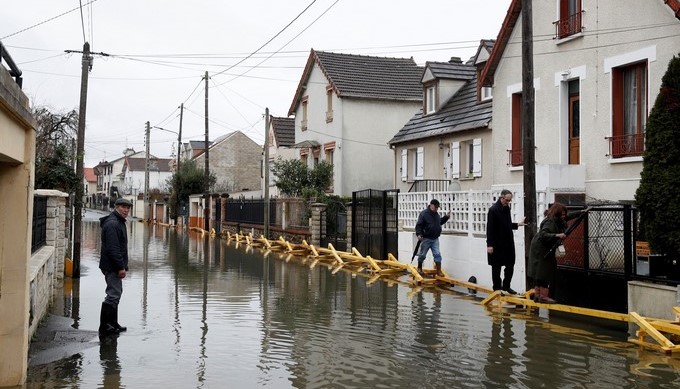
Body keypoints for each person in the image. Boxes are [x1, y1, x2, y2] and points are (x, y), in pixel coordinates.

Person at [529, 202, 590, 303]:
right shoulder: (550, 222)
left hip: (541, 247)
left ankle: (537, 295)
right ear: (556, 213)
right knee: (545, 271)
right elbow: (543, 234)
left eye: (564, 214)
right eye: (562, 214)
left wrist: (581, 212)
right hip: (542, 249)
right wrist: (557, 235)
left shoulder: (557, 219)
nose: (564, 216)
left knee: (539, 271)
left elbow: (568, 217)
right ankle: (543, 296)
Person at [98, 197, 132, 335]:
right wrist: (120, 267)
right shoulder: (113, 224)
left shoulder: (118, 221)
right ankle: (105, 326)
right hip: (112, 266)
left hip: (113, 265)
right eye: (123, 207)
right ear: (116, 207)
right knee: (113, 295)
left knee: (116, 293)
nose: (126, 210)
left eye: (128, 208)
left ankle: (113, 323)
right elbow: (113, 249)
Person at [486, 189, 527, 294]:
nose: (508, 202)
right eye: (507, 200)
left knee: (510, 265)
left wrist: (517, 224)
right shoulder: (493, 210)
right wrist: (489, 245)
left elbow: (506, 224)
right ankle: (497, 288)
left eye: (509, 200)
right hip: (496, 243)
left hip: (508, 242)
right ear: (501, 197)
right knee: (496, 266)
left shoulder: (507, 209)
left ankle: (506, 286)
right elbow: (490, 228)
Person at [415, 199, 451, 276]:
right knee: (422, 254)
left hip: (435, 239)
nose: (436, 209)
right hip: (426, 238)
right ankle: (419, 267)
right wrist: (419, 234)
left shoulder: (436, 215)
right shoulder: (424, 214)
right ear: (431, 205)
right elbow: (419, 225)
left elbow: (439, 222)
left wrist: (446, 217)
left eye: (437, 207)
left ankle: (438, 271)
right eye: (435, 207)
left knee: (437, 254)